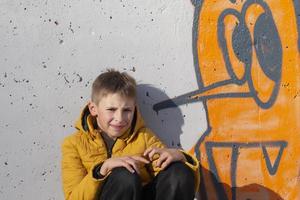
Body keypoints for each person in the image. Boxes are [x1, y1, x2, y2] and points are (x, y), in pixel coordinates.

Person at [61, 69, 200, 200]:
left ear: (134, 109)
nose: (120, 118)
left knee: (179, 172)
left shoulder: (144, 137)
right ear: (93, 109)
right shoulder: (73, 144)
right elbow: (73, 197)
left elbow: (171, 179)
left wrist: (180, 157)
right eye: (111, 109)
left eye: (127, 110)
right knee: (124, 175)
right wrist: (102, 169)